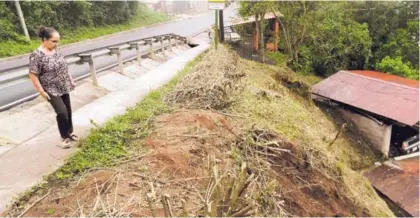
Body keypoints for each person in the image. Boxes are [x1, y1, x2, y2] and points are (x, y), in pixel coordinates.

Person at [28, 26, 78, 149]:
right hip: (50, 88)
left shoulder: (57, 51)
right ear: (45, 40)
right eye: (54, 41)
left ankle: (69, 133)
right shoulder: (36, 55)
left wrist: (70, 80)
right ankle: (63, 138)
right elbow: (33, 75)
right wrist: (41, 91)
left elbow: (64, 67)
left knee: (68, 111)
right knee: (62, 112)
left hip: (63, 85)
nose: (56, 44)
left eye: (58, 41)